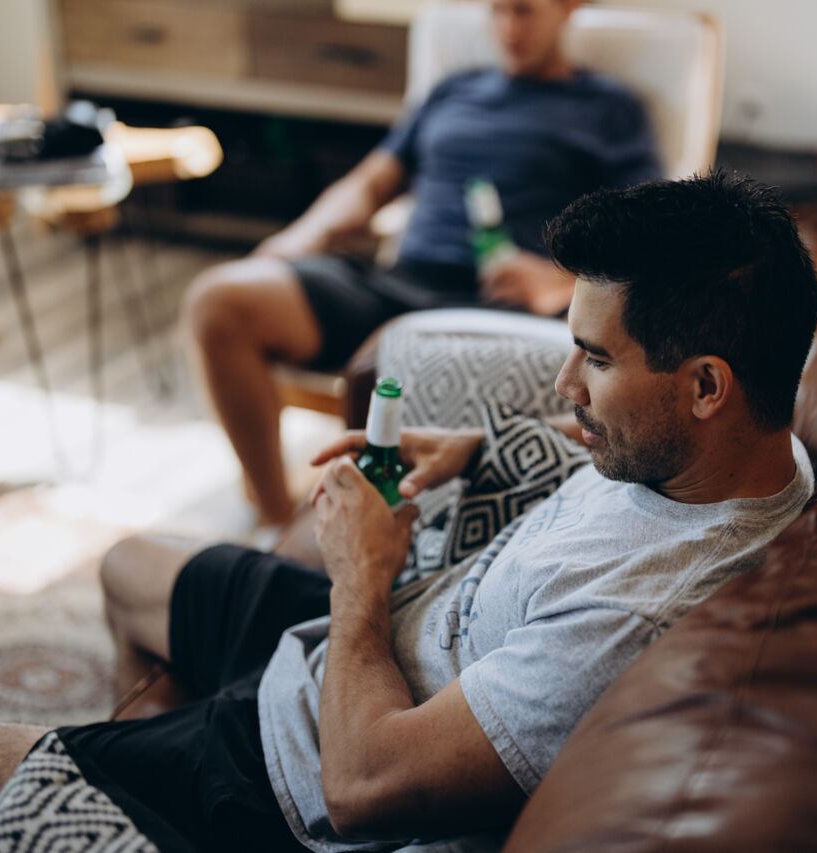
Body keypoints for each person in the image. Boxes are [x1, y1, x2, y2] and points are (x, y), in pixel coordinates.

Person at [0, 171, 817, 852]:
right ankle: (133, 745)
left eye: (598, 359)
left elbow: (362, 788)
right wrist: (474, 448)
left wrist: (358, 573)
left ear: (706, 385)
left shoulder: (634, 621)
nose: (564, 384)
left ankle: (140, 782)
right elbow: (631, 456)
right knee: (130, 567)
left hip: (287, 773)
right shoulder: (741, 455)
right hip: (348, 655)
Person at [184, 0, 662, 527]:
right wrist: (295, 241)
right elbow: (370, 184)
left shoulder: (608, 108)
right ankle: (276, 521)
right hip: (401, 284)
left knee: (391, 363)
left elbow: (646, 236)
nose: (508, 27)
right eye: (498, 10)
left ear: (568, 7)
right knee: (220, 301)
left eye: (524, 10)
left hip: (507, 308)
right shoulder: (453, 90)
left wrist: (557, 281)